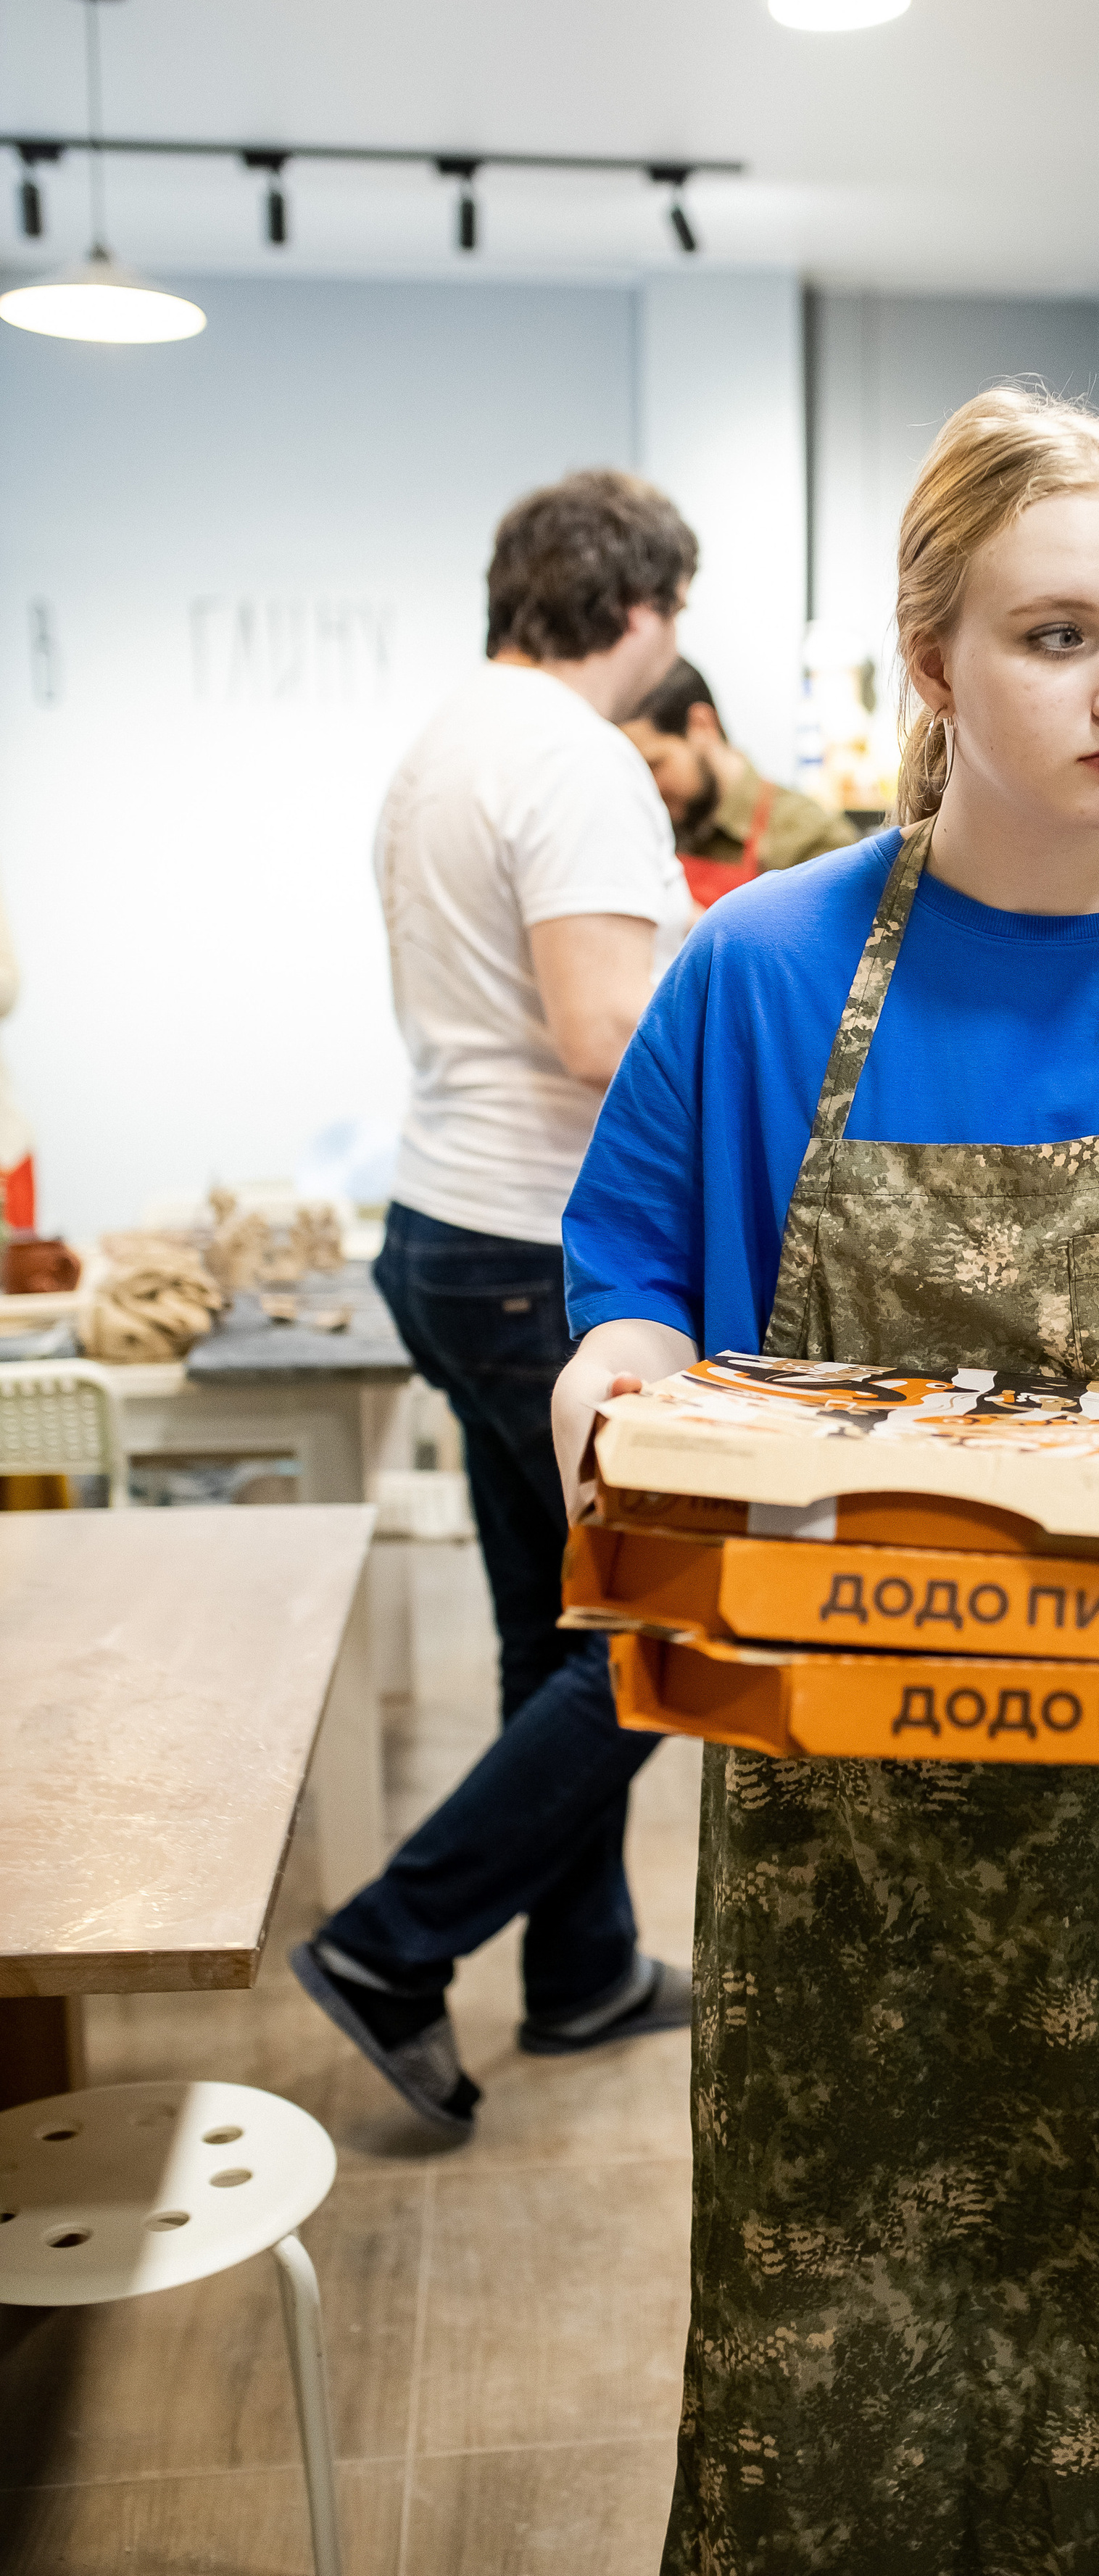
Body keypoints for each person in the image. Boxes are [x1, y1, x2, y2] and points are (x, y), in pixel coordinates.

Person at [551, 389, 1099, 2572]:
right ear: (930, 654)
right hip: (849, 1846)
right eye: (1058, 633)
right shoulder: (765, 973)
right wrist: (611, 1383)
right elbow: (631, 1291)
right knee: (844, 2339)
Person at [290, 468, 702, 2139]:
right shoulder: (578, 755)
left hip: (448, 1226)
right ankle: (394, 1945)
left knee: (555, 1622)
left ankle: (581, 1966)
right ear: (634, 610)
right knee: (661, 1627)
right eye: (674, 619)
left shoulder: (449, 739)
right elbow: (605, 1028)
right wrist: (746, 983)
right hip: (543, 1249)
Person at [622, 656, 859, 902]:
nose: (645, 785)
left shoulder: (814, 839)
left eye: (653, 765)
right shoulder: (642, 829)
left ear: (701, 725)